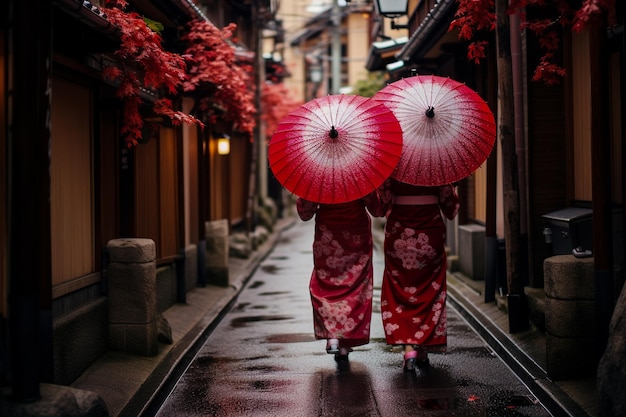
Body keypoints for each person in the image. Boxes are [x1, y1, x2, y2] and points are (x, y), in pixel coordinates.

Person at [376, 178, 459, 372]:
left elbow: (380, 206)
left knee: (400, 286)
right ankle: (422, 345)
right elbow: (451, 209)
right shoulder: (436, 166)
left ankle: (408, 347)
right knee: (430, 288)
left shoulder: (393, 168)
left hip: (399, 232)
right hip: (429, 234)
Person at [296, 193, 381, 364]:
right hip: (356, 232)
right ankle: (344, 340)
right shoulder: (360, 172)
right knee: (354, 283)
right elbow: (377, 209)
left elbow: (304, 213)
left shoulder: (318, 174)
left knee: (327, 282)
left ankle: (333, 336)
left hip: (328, 234)